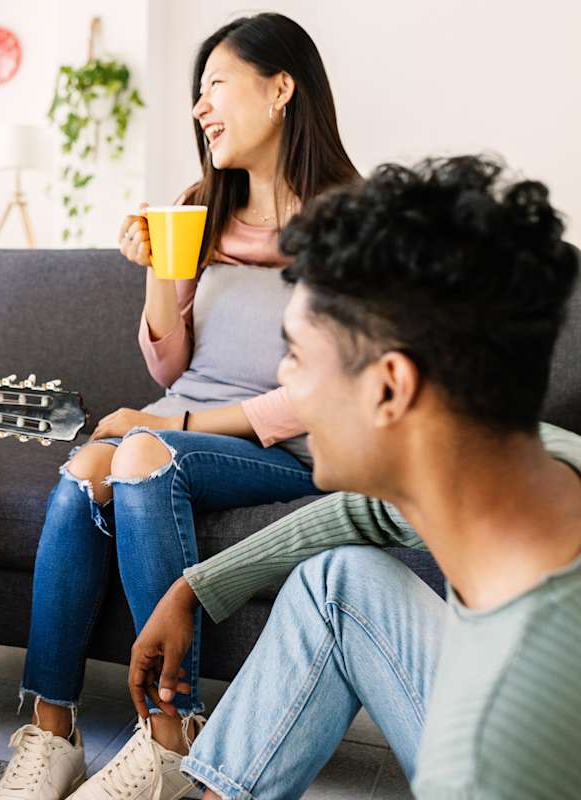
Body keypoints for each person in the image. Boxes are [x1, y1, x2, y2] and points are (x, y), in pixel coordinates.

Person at [130, 155, 581, 799]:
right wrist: (193, 589)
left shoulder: (486, 762)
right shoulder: (529, 463)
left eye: (296, 355)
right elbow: (362, 513)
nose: (282, 379)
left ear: (389, 388)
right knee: (337, 579)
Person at [0, 14, 357, 799]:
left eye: (216, 84)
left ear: (281, 88)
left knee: (140, 453)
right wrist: (160, 268)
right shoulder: (200, 207)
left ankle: (171, 730)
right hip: (180, 423)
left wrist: (169, 425)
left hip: (287, 446)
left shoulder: (348, 225)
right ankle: (51, 730)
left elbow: (315, 397)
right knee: (83, 472)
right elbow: (169, 366)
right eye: (198, 92)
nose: (200, 107)